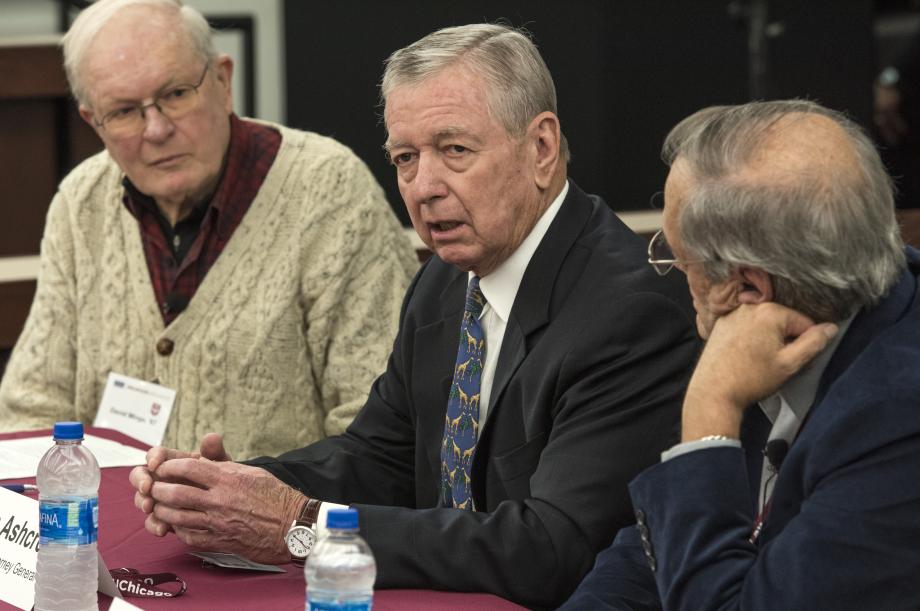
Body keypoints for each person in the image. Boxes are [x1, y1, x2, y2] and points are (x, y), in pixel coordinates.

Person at [129, 23, 699, 608]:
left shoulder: (630, 314)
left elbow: (551, 548)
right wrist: (231, 490)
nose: (424, 187)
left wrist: (298, 527)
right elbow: (380, 458)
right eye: (405, 158)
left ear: (542, 149)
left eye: (455, 150)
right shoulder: (444, 279)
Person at [0, 0, 417, 459]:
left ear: (222, 81)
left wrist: (269, 507)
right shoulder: (81, 203)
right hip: (104, 524)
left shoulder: (329, 191)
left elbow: (377, 429)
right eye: (123, 111)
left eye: (176, 93)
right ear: (92, 121)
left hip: (268, 525)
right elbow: (30, 410)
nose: (156, 129)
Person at [561, 100, 920, 610]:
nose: (674, 273)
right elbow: (648, 562)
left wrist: (711, 410)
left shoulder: (899, 422)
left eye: (676, 256)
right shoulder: (794, 313)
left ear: (746, 289)